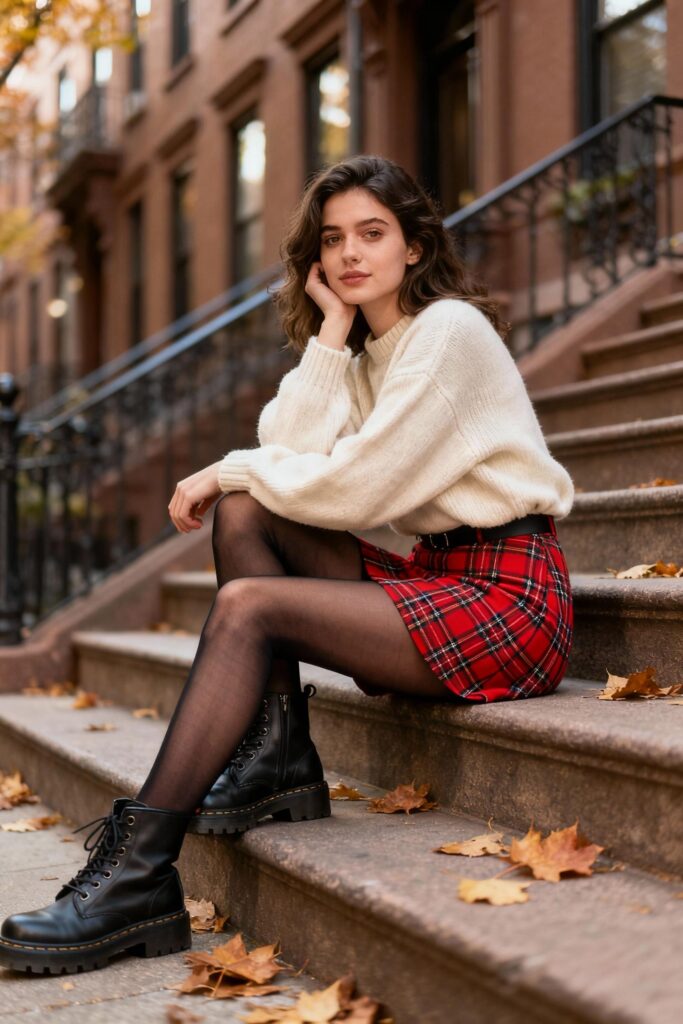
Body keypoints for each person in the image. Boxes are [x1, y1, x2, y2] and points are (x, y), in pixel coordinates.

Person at [0, 155, 574, 975]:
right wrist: (332, 337)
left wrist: (226, 466)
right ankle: (276, 755)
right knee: (246, 512)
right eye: (334, 238)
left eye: (373, 234)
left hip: (507, 599)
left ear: (413, 246)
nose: (350, 254)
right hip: (441, 575)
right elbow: (289, 457)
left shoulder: (448, 330)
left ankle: (139, 870)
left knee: (248, 603)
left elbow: (356, 485)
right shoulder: (371, 347)